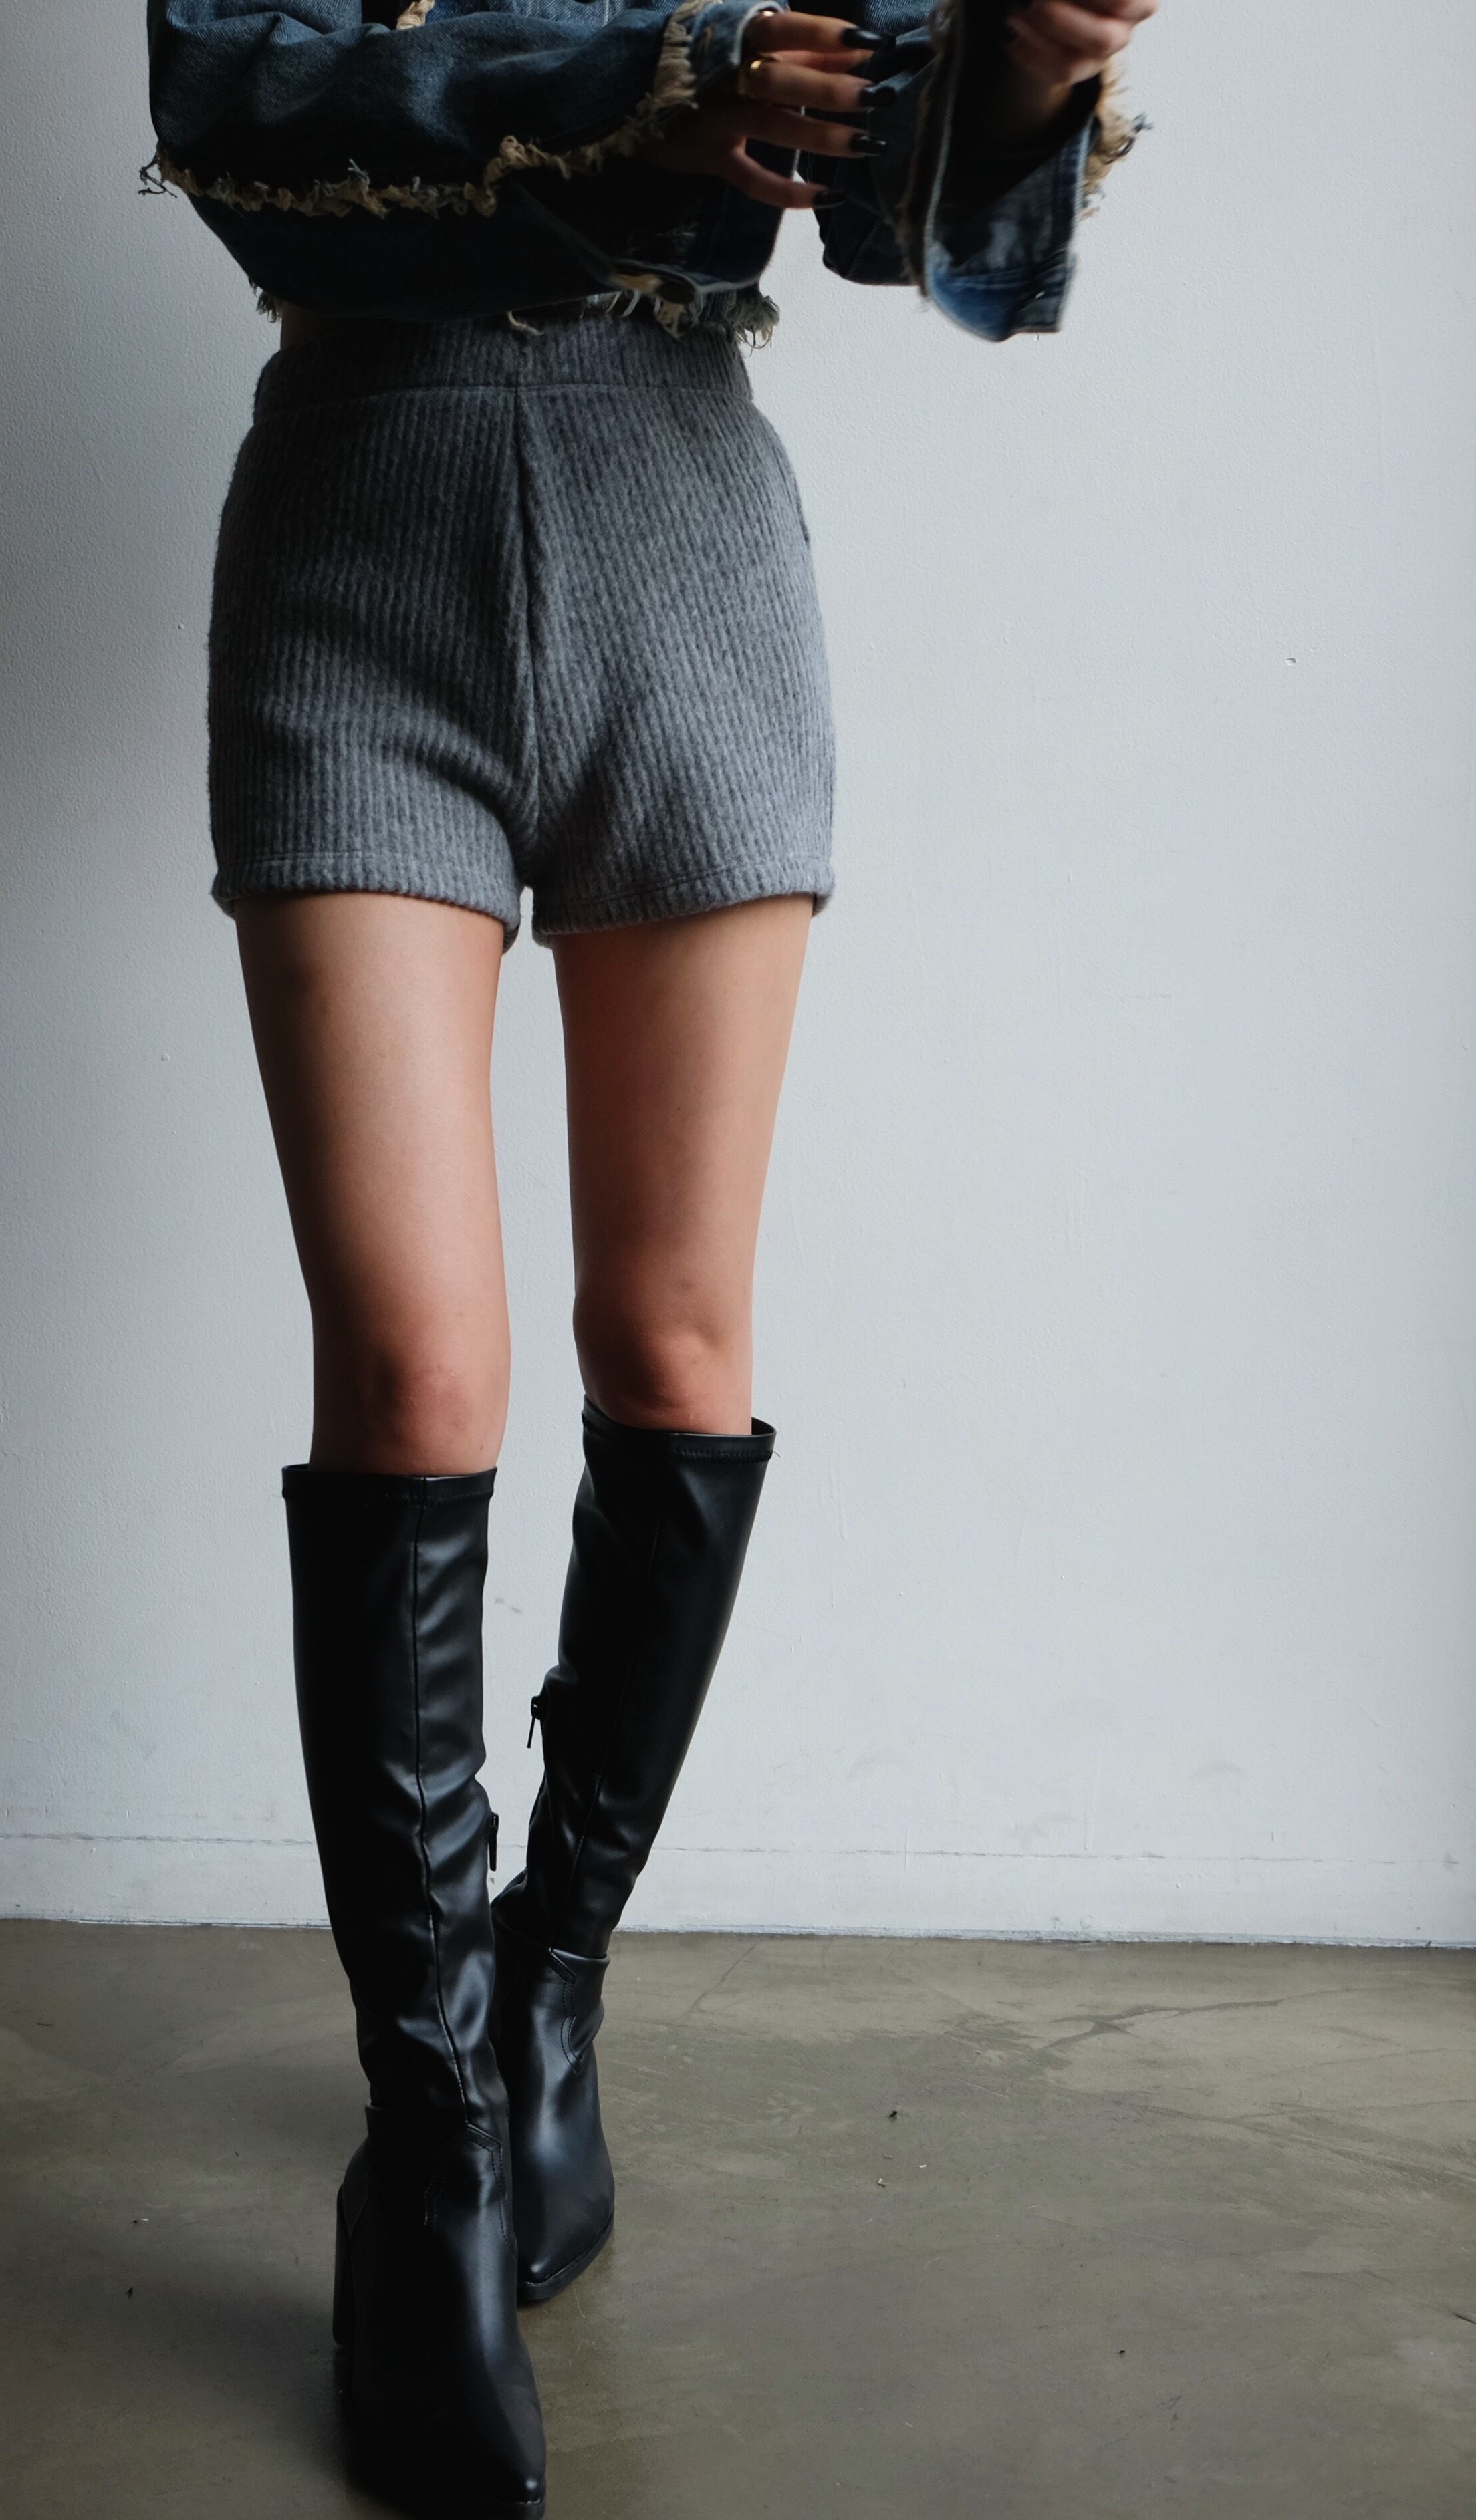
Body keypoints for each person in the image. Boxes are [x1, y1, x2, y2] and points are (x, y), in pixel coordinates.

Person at [144, 4, 1156, 2511]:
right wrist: (664, 69)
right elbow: (233, 91)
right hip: (359, 531)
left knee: (674, 1334)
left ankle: (543, 1996)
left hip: (680, 535)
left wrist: (1025, 65)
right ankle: (427, 2154)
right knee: (410, 1367)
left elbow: (939, 240)